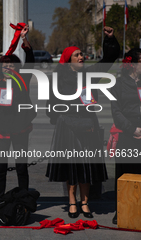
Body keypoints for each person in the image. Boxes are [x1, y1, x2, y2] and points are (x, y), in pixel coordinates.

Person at [45, 26, 120, 219]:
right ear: (69, 59)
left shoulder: (90, 74)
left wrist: (109, 40)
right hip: (68, 127)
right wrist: (58, 118)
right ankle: (72, 201)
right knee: (72, 166)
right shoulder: (59, 77)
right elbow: (51, 102)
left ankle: (85, 202)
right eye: (77, 55)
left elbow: (109, 60)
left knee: (87, 165)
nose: (81, 57)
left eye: (81, 55)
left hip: (89, 125)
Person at [0, 23, 37, 204]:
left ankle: (24, 199)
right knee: (0, 169)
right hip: (1, 132)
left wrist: (24, 39)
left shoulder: (22, 80)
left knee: (21, 167)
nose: (8, 67)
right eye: (5, 65)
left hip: (20, 130)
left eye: (11, 65)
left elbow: (30, 59)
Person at [109, 48, 141, 224]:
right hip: (127, 134)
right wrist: (133, 129)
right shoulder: (118, 84)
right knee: (124, 173)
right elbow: (116, 112)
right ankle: (121, 209)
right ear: (132, 65)